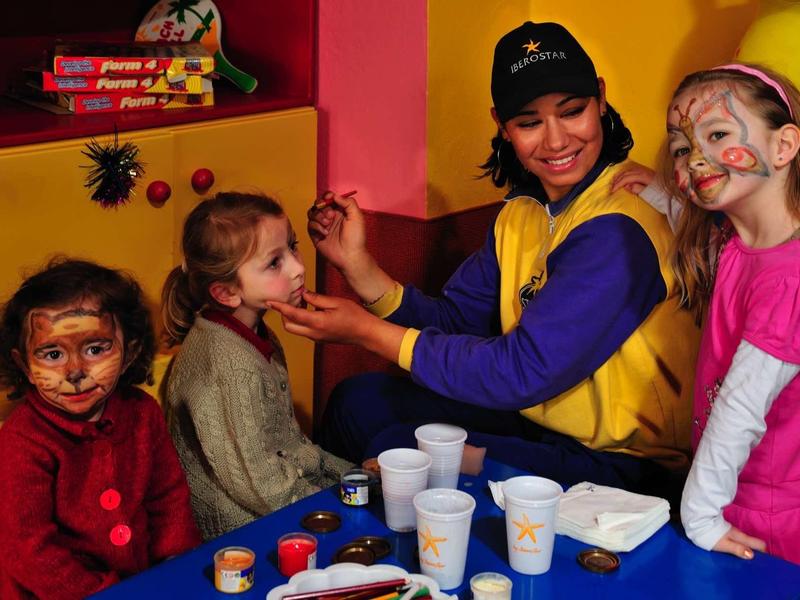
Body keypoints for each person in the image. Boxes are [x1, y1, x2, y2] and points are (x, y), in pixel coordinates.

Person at [270, 21, 700, 504]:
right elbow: (456, 323)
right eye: (529, 123)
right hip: (537, 423)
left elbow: (521, 372)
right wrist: (359, 268)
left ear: (600, 99)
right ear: (503, 124)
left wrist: (365, 331)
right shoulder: (520, 214)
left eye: (573, 112)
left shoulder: (621, 228)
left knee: (397, 450)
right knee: (359, 402)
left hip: (623, 464)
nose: (556, 141)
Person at [646, 64, 800, 564]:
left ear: (783, 147)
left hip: (766, 520)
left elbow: (740, 409)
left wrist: (700, 515)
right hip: (731, 496)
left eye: (717, 134)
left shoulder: (789, 279)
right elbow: (699, 228)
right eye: (681, 148)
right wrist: (652, 189)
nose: (696, 158)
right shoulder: (738, 245)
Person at [0, 259, 200, 599]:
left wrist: (177, 563)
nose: (75, 371)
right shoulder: (21, 441)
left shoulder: (141, 412)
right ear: (26, 367)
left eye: (95, 349)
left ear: (129, 352)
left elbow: (167, 496)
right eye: (51, 354)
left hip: (138, 583)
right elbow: (28, 551)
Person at [161, 191, 352, 541]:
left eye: (292, 247)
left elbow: (290, 445)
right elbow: (260, 484)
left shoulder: (254, 332)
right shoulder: (229, 366)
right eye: (274, 262)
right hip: (239, 529)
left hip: (276, 500)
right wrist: (335, 509)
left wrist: (349, 476)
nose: (299, 267)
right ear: (226, 293)